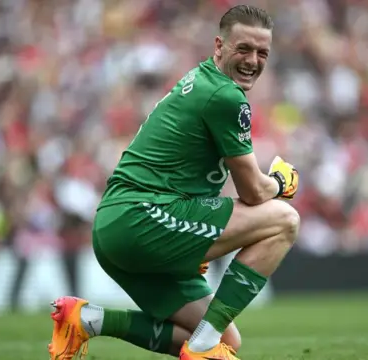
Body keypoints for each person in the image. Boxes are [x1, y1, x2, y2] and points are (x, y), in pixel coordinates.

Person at [47, 4, 300, 360]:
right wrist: (280, 181)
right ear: (219, 47)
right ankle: (202, 349)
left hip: (118, 224)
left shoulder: (200, 80)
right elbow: (254, 192)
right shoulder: (225, 96)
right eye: (243, 48)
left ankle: (87, 320)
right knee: (285, 220)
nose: (252, 60)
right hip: (142, 218)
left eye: (262, 53)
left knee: (228, 337)